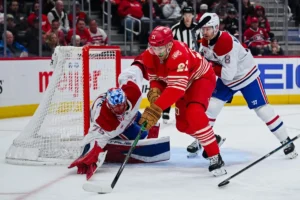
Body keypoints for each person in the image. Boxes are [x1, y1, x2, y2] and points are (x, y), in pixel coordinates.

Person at [188, 12, 298, 160]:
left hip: (246, 75)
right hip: (227, 78)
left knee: (263, 110)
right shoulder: (206, 41)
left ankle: (286, 141)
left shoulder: (225, 43)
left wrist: (207, 65)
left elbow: (228, 74)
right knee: (210, 109)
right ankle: (203, 139)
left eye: (208, 29)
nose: (205, 32)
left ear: (215, 28)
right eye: (203, 29)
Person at [136, 26, 227, 176]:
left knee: (194, 113)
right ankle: (212, 139)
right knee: (182, 125)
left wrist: (155, 108)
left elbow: (176, 89)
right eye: (153, 48)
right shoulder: (149, 55)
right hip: (183, 83)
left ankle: (215, 157)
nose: (157, 52)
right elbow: (156, 78)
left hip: (200, 78)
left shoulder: (179, 54)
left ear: (170, 44)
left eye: (160, 48)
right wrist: (155, 91)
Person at [68, 76, 168, 180]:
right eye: (116, 108)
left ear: (125, 98)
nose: (120, 109)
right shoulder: (104, 120)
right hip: (116, 125)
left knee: (143, 121)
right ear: (109, 106)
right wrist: (87, 156)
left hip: (128, 115)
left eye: (121, 105)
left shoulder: (132, 91)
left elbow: (128, 75)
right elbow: (93, 137)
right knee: (142, 135)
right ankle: (117, 136)